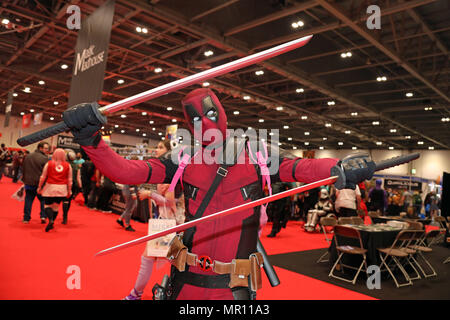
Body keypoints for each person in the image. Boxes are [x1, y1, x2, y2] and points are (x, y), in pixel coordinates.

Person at [62, 88, 376, 300]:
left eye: (209, 115)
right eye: (194, 119)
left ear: (222, 113)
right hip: (185, 279)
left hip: (234, 287)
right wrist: (92, 141)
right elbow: (126, 172)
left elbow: (302, 168)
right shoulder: (183, 157)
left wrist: (339, 167)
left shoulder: (256, 152)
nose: (204, 124)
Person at [124, 140, 184, 300]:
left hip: (171, 225)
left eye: (160, 147)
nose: (156, 150)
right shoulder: (169, 172)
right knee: (171, 262)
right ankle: (138, 293)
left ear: (168, 151)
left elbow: (172, 204)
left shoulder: (175, 175)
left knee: (152, 259)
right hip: (167, 223)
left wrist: (151, 195)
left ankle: (136, 294)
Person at [37, 148, 72, 232]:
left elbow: (43, 177)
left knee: (47, 205)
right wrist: (69, 190)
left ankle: (51, 220)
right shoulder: (68, 165)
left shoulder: (49, 164)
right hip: (62, 188)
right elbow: (70, 180)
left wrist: (39, 187)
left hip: (50, 187)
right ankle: (52, 221)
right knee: (56, 207)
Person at [21, 142, 49, 224]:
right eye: (46, 148)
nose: (47, 150)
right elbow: (46, 173)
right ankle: (43, 216)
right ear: (40, 148)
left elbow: (23, 168)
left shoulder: (27, 156)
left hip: (29, 183)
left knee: (28, 200)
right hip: (40, 184)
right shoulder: (45, 158)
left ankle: (26, 218)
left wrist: (25, 179)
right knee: (43, 200)